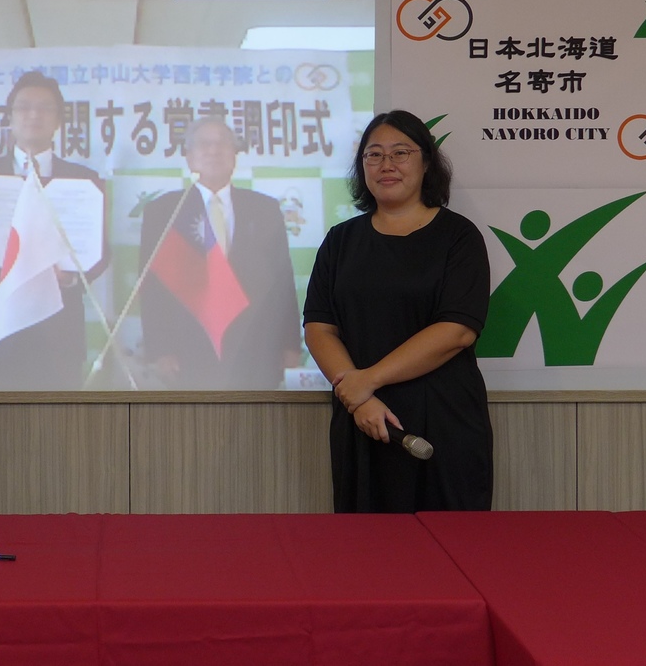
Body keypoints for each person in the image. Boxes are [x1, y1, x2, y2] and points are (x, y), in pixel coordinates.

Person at [302, 109, 492, 513]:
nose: (386, 165)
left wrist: (366, 381)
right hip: (362, 419)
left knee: (452, 553)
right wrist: (359, 399)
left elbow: (457, 330)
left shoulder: (458, 237)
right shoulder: (341, 241)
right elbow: (320, 328)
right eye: (374, 155)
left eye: (400, 153)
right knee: (366, 555)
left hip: (443, 416)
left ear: (426, 163)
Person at [0, 71, 109, 390]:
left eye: (45, 108)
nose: (34, 115)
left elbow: (101, 254)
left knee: (60, 430)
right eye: (24, 107)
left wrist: (72, 276)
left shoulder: (85, 181)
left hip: (58, 330)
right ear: (10, 118)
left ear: (59, 121)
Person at [139, 117, 301, 389]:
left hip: (255, 347)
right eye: (204, 144)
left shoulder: (265, 209)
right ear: (189, 157)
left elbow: (282, 282)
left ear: (234, 155)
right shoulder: (163, 212)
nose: (214, 150)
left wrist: (289, 344)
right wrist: (161, 350)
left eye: (222, 143)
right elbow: (151, 287)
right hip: (187, 349)